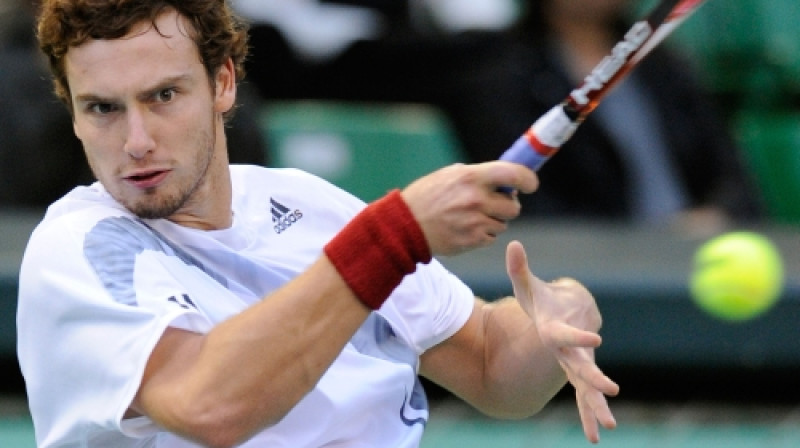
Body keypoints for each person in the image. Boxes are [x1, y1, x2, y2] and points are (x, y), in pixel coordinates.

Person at [17, 1, 619, 447]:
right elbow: (209, 406)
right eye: (103, 108)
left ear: (222, 83)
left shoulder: (307, 205)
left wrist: (564, 313)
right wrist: (396, 235)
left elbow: (491, 366)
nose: (136, 141)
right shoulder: (78, 249)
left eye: (163, 96)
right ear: (73, 111)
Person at [492, 0, 764, 230]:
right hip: (592, 262)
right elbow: (533, 206)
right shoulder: (502, 71)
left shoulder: (667, 64)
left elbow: (732, 179)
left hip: (691, 250)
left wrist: (714, 217)